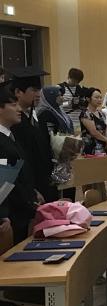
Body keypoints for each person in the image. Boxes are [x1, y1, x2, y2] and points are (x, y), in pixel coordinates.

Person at [9, 66, 57, 204]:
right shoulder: (13, 122)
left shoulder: (36, 116)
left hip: (45, 180)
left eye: (39, 90)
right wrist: (31, 189)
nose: (38, 94)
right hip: (30, 187)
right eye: (34, 90)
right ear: (18, 92)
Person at [0, 84, 40, 242]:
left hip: (23, 210)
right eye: (13, 105)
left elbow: (20, 172)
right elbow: (3, 182)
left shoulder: (10, 136)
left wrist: (33, 192)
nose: (18, 109)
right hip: (12, 215)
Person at [80, 88, 107, 156]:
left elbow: (105, 129)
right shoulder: (86, 113)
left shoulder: (100, 113)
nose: (99, 100)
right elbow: (93, 132)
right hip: (91, 147)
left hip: (102, 147)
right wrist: (106, 139)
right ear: (88, 99)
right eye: (96, 97)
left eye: (100, 97)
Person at [58, 67, 85, 133]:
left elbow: (84, 105)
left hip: (77, 122)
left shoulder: (80, 89)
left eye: (78, 82)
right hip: (65, 121)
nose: (76, 83)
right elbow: (57, 106)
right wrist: (69, 103)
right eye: (74, 81)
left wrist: (81, 103)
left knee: (77, 139)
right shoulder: (60, 88)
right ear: (69, 77)